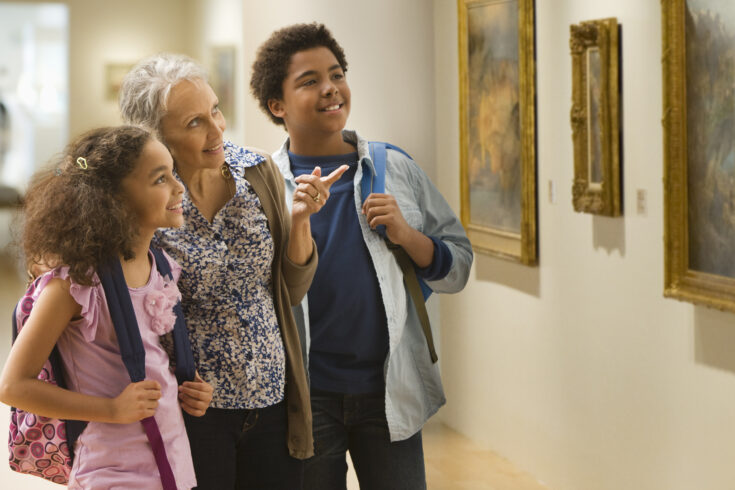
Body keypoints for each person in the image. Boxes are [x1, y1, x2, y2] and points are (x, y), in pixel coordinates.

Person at [250, 23, 474, 490]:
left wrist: (408, 235)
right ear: (278, 105)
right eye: (310, 81)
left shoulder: (394, 167)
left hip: (388, 392)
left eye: (336, 74)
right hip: (306, 398)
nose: (331, 88)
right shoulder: (262, 186)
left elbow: (459, 267)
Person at [119, 53, 347, 489]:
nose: (217, 128)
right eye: (194, 123)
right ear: (155, 137)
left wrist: (300, 219)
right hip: (192, 409)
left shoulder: (256, 171)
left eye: (216, 110)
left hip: (274, 394)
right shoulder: (141, 201)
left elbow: (291, 286)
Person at [0, 125, 213, 489]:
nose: (178, 187)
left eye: (173, 173)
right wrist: (111, 410)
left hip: (172, 465)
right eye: (160, 179)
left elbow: (151, 360)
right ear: (114, 199)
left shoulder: (161, 266)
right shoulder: (75, 284)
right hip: (110, 471)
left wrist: (188, 388)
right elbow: (13, 385)